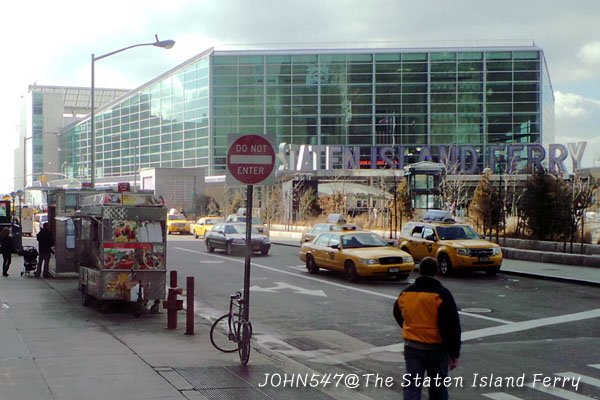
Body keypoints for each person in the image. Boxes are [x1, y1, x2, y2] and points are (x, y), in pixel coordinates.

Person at [393, 257, 461, 400]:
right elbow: (452, 325)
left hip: (412, 346)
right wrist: (454, 353)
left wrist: (409, 327)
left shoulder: (406, 293)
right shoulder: (442, 294)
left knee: (412, 385)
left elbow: (398, 313)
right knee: (438, 387)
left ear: (419, 271)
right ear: (436, 271)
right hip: (437, 348)